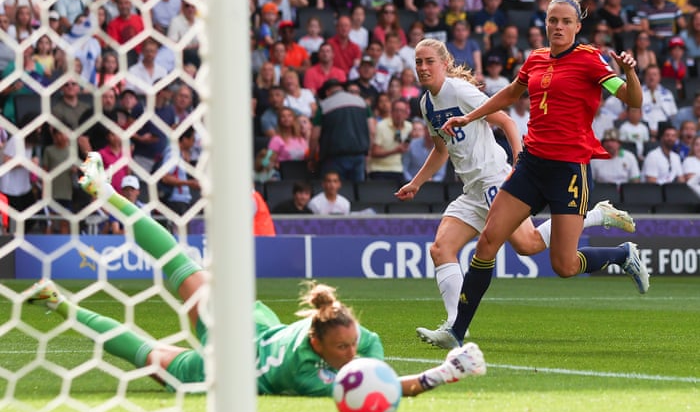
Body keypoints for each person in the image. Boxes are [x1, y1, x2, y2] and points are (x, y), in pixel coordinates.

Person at [26, 154, 485, 395]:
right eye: (341, 347)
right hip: (228, 361)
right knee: (159, 322)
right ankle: (103, 194)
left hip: (238, 341)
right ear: (314, 340)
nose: (351, 353)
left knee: (167, 303)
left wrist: (432, 373)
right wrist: (441, 375)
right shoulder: (308, 375)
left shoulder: (360, 341)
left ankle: (61, 300)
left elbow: (378, 375)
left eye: (351, 343)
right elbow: (383, 389)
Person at [435, 0, 649, 347]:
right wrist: (468, 117)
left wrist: (629, 74)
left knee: (564, 266)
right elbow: (509, 95)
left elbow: (633, 101)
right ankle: (456, 332)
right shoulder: (535, 59)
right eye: (553, 20)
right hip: (531, 166)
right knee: (487, 241)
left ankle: (622, 254)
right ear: (546, 23)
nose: (558, 27)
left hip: (569, 170)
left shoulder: (591, 60)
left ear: (578, 26)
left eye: (566, 21)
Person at [310, 79, 374, 183]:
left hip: (333, 157)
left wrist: (312, 158)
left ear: (327, 92)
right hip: (358, 155)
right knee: (358, 192)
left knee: (336, 193)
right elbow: (372, 130)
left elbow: (314, 136)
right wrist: (368, 152)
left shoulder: (324, 106)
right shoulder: (362, 102)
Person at [368, 98, 413, 183]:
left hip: (399, 169)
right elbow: (374, 152)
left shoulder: (409, 127)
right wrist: (395, 151)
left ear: (407, 114)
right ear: (391, 112)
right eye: (396, 110)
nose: (399, 114)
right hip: (379, 169)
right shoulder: (381, 126)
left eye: (402, 111)